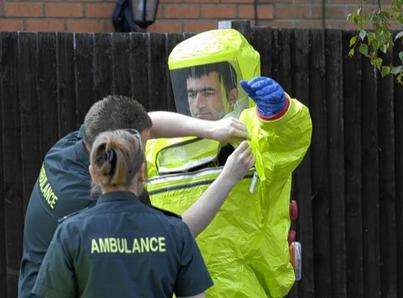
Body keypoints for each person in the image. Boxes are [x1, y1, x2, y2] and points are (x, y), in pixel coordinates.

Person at [19, 95, 251, 298]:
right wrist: (228, 177)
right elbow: (174, 235)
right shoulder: (83, 202)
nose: (144, 150)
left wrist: (211, 129)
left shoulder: (71, 145)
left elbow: (149, 124)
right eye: (140, 147)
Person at [146, 29, 313, 297]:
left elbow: (288, 139)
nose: (197, 103)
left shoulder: (253, 133)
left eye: (207, 92)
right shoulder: (159, 145)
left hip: (242, 287)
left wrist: (280, 112)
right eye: (191, 94)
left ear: (233, 94)